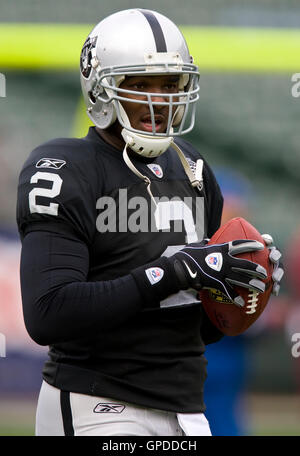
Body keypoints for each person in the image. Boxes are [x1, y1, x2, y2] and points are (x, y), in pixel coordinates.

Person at [16, 9, 283, 436]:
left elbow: (186, 328)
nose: (159, 100)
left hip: (186, 410)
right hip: (99, 404)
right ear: (103, 90)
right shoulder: (66, 167)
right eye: (139, 85)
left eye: (169, 85)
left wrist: (239, 290)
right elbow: (49, 314)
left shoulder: (192, 167)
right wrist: (172, 272)